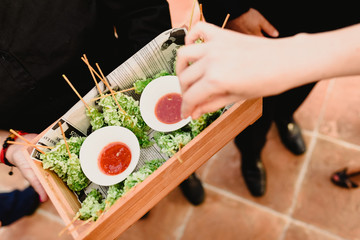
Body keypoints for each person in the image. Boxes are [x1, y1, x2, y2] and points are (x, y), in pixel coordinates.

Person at [0, 0, 203, 226]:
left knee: (175, 144)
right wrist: (8, 146)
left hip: (119, 77)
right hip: (52, 136)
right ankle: (134, 199)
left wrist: (150, 74)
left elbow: (141, 8)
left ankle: (185, 171)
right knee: (123, 188)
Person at [177, 2, 360, 197]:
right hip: (266, 11)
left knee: (299, 89)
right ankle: (251, 154)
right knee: (255, 111)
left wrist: (289, 57)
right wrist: (231, 10)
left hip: (337, 20)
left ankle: (284, 115)